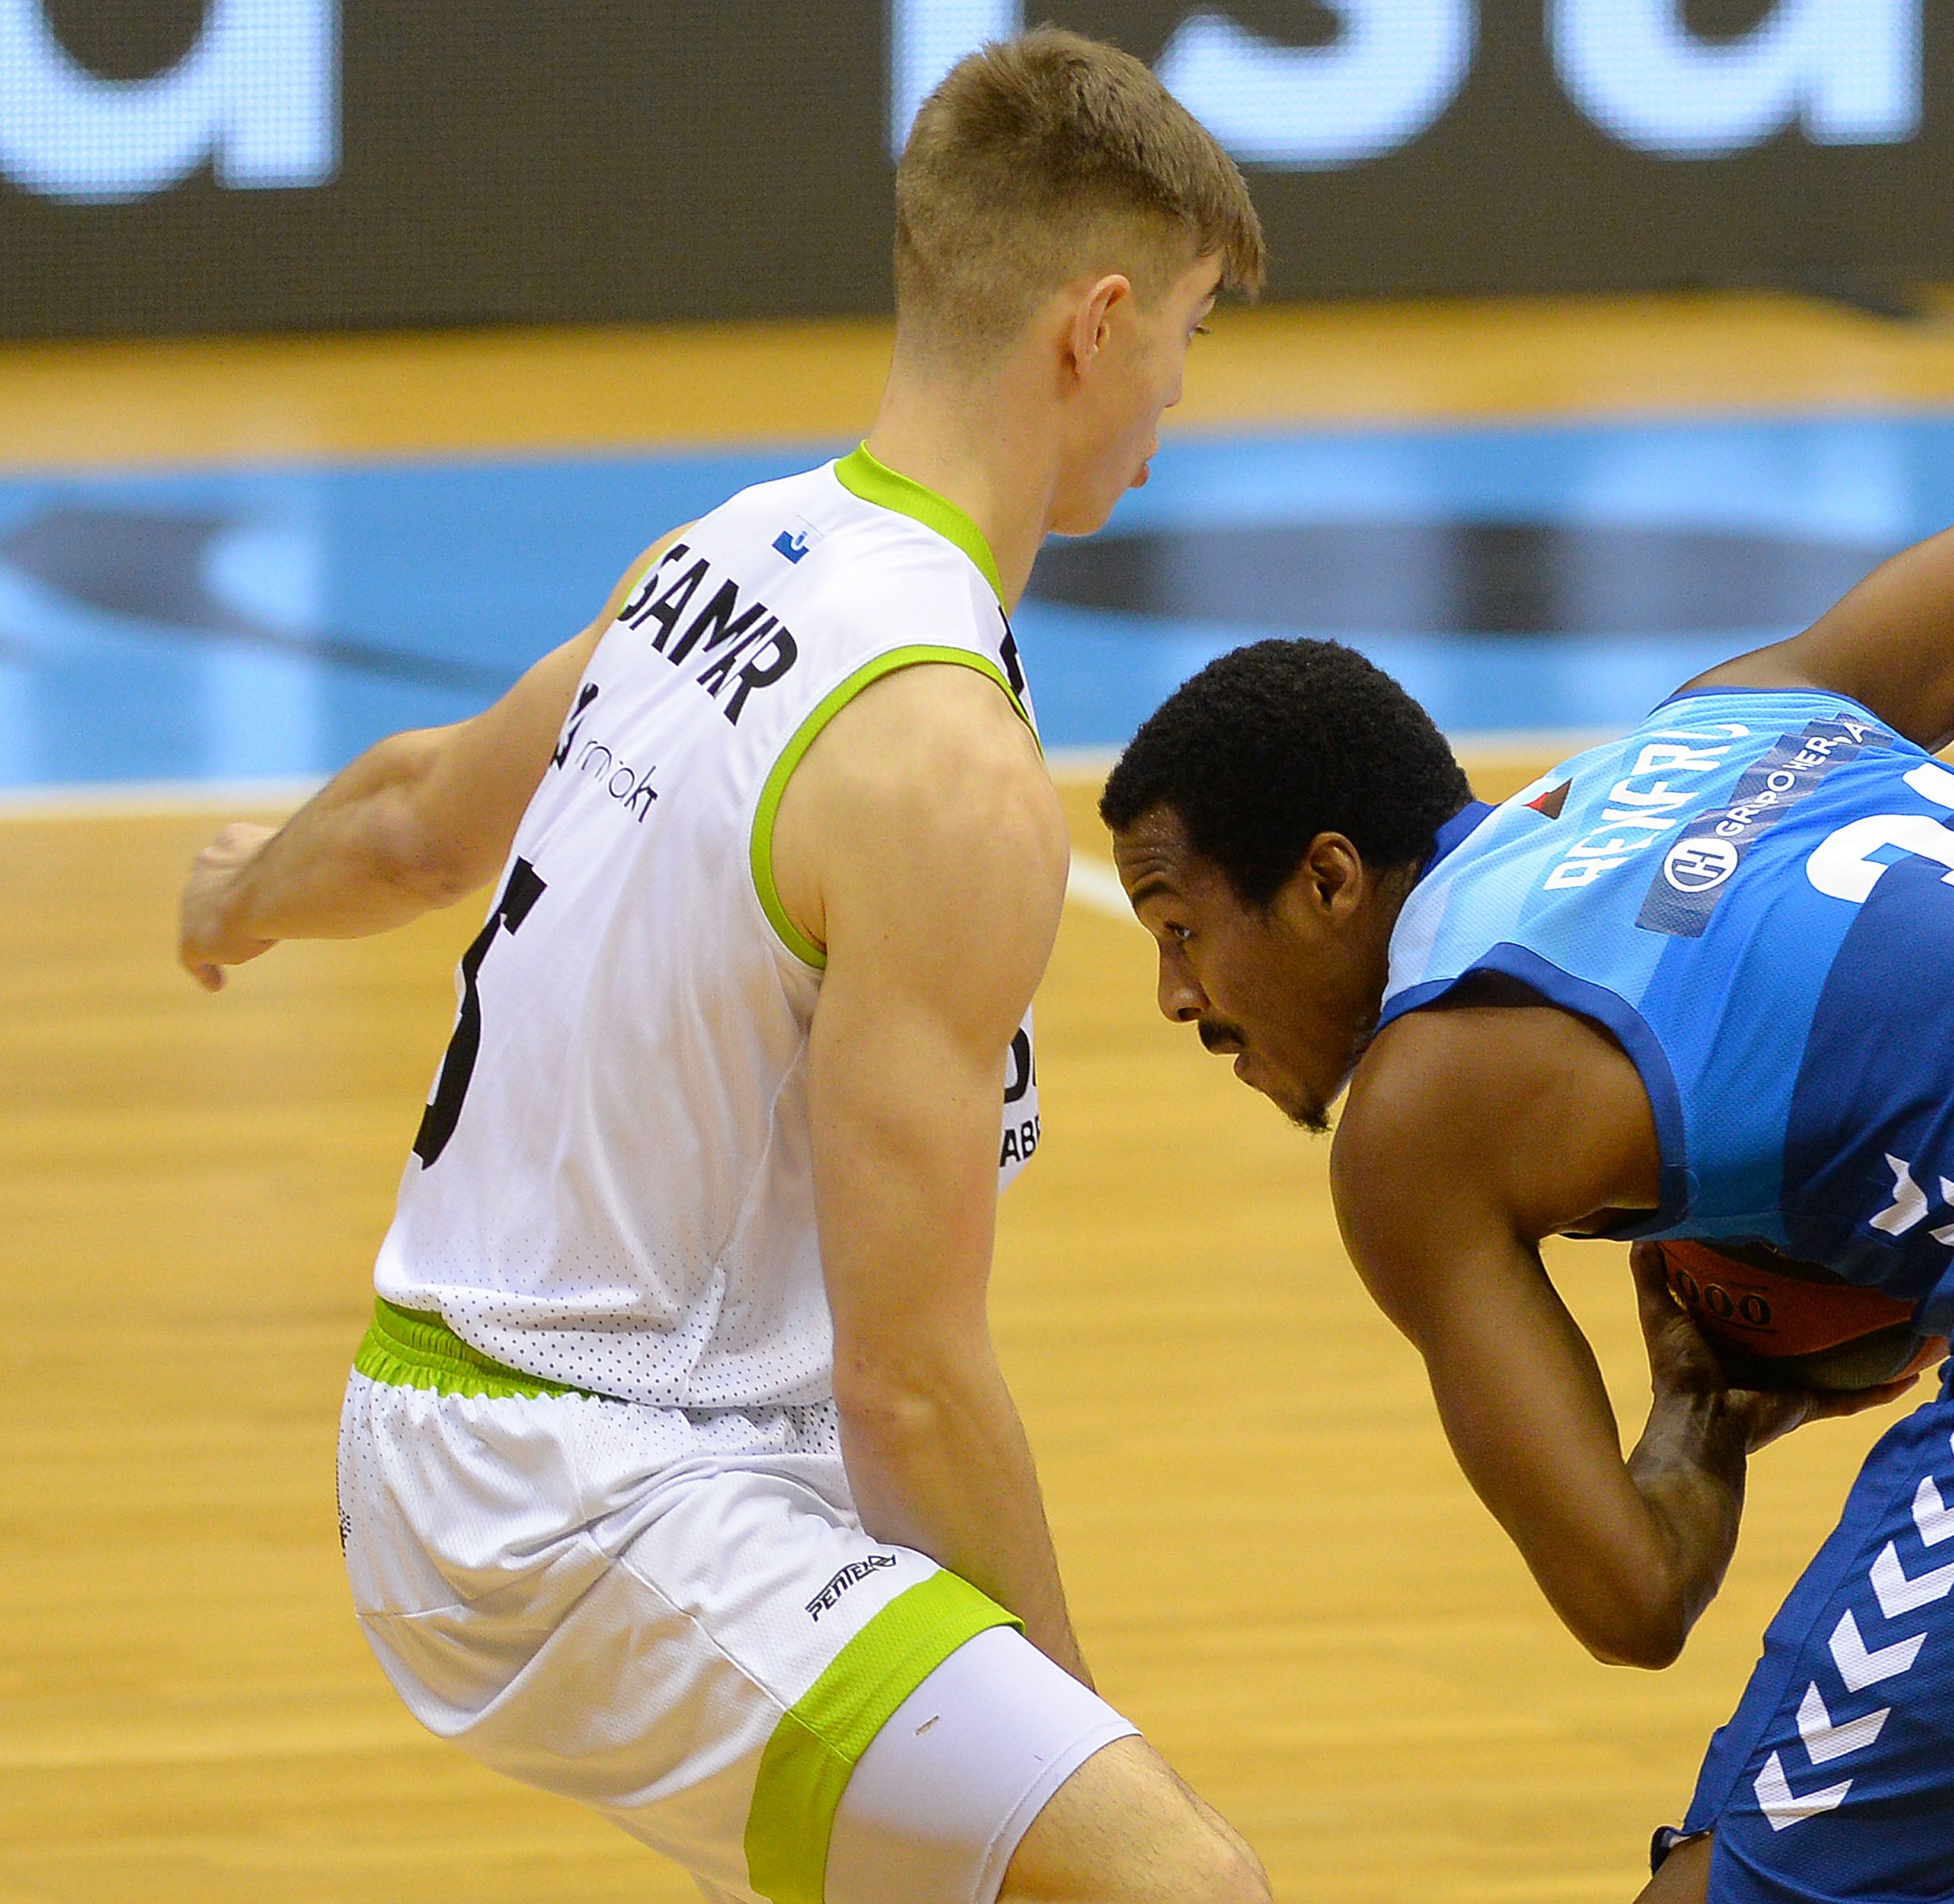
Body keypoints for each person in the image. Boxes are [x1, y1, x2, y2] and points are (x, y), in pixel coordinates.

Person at [176, 33, 1273, 1904]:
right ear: (1093, 325)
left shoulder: (734, 546)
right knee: (1173, 1883)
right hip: (587, 1479)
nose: (1180, 388)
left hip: (494, 1427)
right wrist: (1075, 1749)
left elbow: (424, 823)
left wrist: (243, 894)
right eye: (1182, 327)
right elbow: (909, 1386)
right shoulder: (943, 762)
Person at [1097, 463, 1954, 1904]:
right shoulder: (1735, 716)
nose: (1171, 994)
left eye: (1179, 927)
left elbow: (1632, 1594)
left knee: (1736, 1888)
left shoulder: (1424, 1108)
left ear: (1332, 884)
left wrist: (1704, 1405)